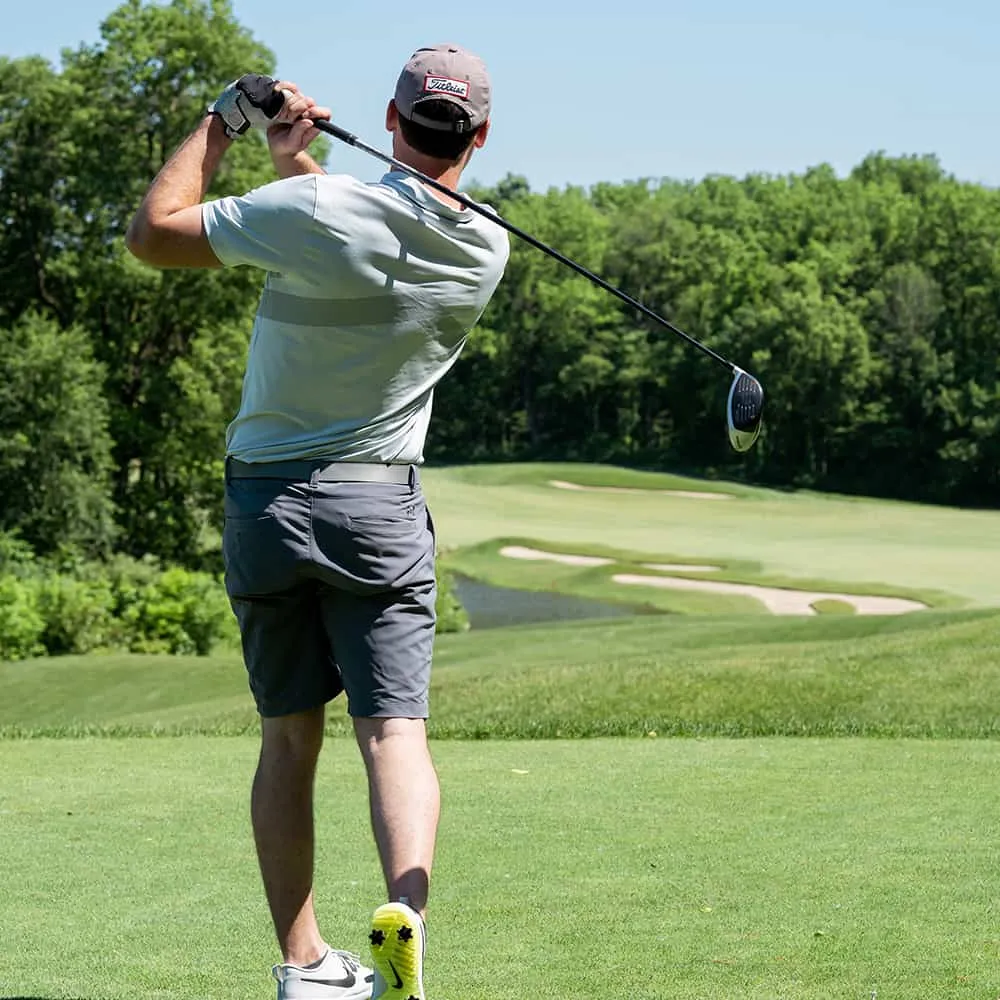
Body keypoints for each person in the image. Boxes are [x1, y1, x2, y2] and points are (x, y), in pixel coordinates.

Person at [125, 44, 509, 1000]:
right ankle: (405, 916)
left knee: (288, 740)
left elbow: (154, 233)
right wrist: (297, 161)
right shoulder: (486, 248)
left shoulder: (314, 212)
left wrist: (226, 122)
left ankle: (304, 967)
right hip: (378, 504)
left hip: (267, 501)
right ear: (482, 135)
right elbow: (372, 234)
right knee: (395, 734)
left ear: (390, 117)